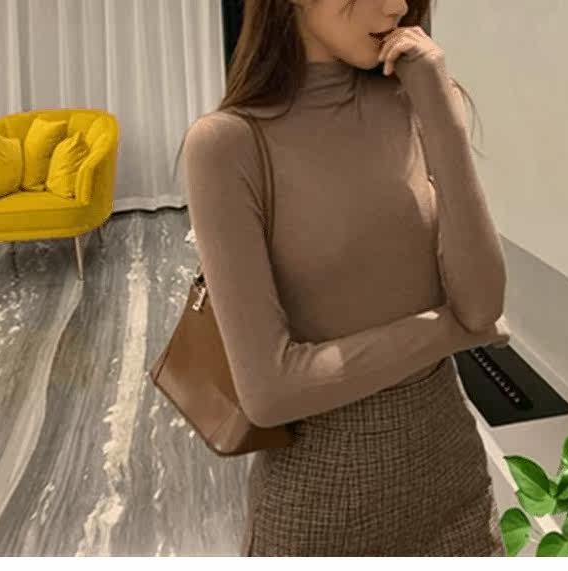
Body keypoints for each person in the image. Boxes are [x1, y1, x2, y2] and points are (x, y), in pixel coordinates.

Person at [178, 0, 509, 556]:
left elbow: (482, 303)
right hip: (321, 513)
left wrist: (441, 109)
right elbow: (270, 392)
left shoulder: (418, 99)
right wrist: (449, 332)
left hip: (458, 493)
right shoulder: (228, 144)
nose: (398, 6)